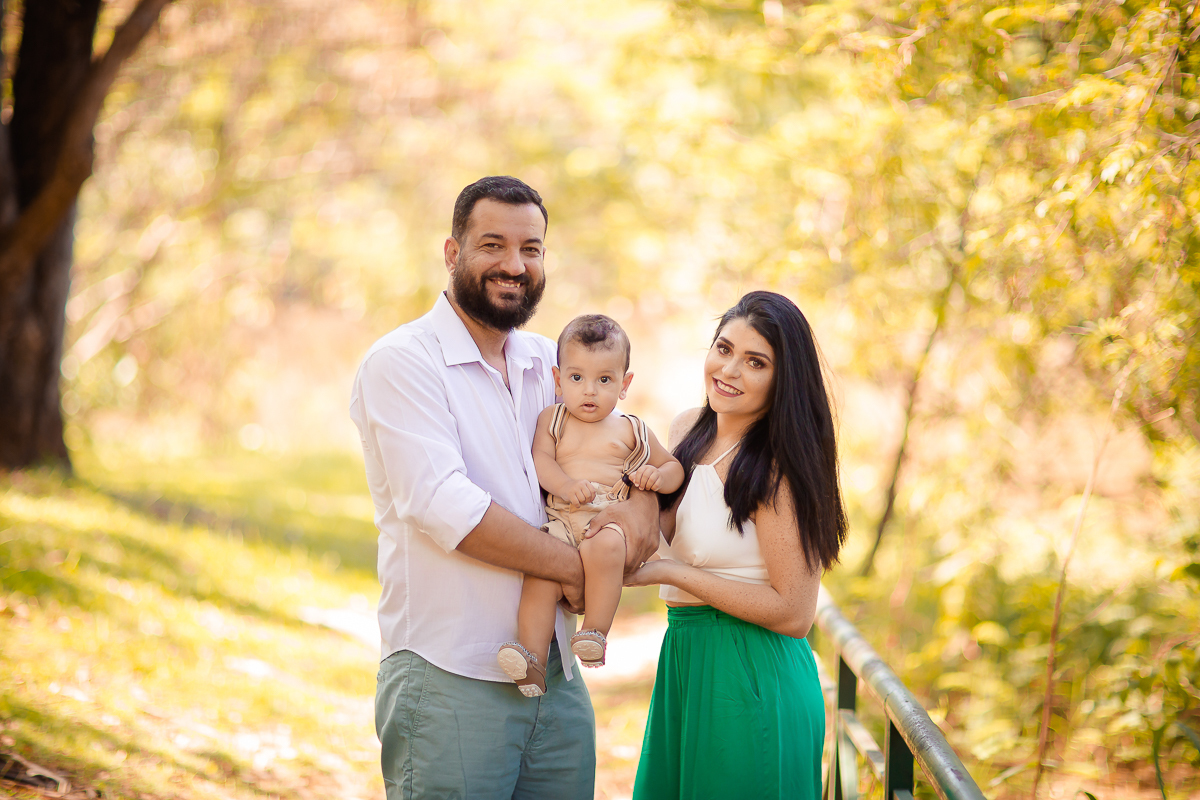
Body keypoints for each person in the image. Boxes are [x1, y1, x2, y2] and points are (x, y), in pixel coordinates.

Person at [349, 176, 660, 800]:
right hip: (449, 674)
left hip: (557, 677)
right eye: (493, 245)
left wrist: (637, 519)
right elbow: (446, 507)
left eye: (531, 249)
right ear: (452, 252)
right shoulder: (403, 361)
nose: (514, 265)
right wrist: (578, 567)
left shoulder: (552, 364)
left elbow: (621, 458)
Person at [625, 290, 847, 800]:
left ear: (783, 380)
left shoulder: (777, 466)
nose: (729, 370)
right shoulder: (686, 430)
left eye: (755, 362)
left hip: (751, 674)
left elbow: (795, 612)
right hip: (685, 659)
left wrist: (670, 573)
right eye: (724, 349)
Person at [498, 314, 684, 696]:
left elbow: (673, 468)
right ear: (558, 379)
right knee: (541, 574)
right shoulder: (553, 419)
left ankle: (595, 632)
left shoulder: (632, 428)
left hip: (607, 520)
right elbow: (541, 460)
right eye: (577, 377)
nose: (589, 391)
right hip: (563, 519)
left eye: (604, 380)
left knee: (607, 546)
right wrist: (565, 486)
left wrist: (656, 477)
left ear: (624, 384)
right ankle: (530, 658)